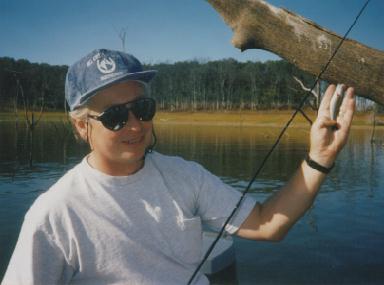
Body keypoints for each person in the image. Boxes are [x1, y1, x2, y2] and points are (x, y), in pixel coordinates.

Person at [2, 49, 355, 285]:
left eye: (142, 108)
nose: (136, 125)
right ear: (81, 126)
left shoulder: (186, 176)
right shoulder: (54, 212)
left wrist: (319, 158)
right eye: (114, 116)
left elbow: (266, 226)